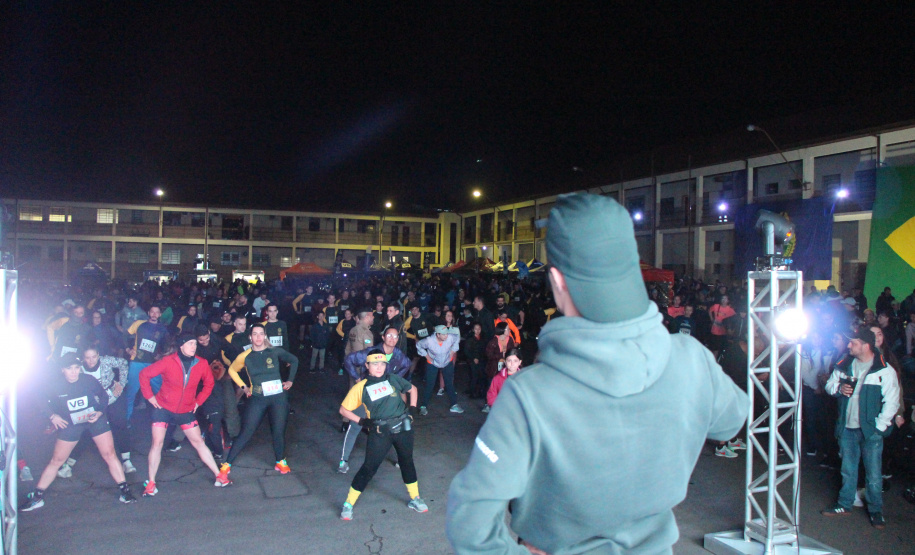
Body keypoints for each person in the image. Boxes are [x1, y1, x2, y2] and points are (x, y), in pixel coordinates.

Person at [446, 193, 747, 554]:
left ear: (557, 281)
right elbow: (731, 420)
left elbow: (471, 521)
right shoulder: (691, 358)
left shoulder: (530, 395)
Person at [21, 354, 136, 511]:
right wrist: (52, 416)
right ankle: (37, 496)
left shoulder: (88, 380)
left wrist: (100, 412)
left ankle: (125, 491)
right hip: (72, 424)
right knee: (57, 460)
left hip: (94, 420)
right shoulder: (56, 385)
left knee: (109, 454)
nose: (74, 372)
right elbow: (38, 397)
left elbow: (103, 396)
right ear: (63, 370)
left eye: (76, 368)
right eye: (70, 369)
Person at [821, 327, 899, 529]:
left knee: (873, 473)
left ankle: (876, 510)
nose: (848, 345)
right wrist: (839, 389)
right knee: (848, 469)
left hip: (869, 430)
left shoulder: (884, 369)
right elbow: (829, 386)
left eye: (853, 342)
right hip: (847, 427)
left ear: (866, 345)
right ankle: (844, 504)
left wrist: (878, 427)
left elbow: (892, 401)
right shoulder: (845, 364)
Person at [139, 333, 232, 496]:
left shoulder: (201, 363)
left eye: (195, 344)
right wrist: (149, 397)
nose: (194, 347)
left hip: (186, 410)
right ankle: (151, 483)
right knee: (157, 444)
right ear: (181, 345)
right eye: (190, 344)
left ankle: (219, 476)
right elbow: (144, 374)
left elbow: (209, 384)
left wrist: (198, 402)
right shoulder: (168, 361)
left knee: (199, 442)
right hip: (163, 409)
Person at [338, 349, 426, 521]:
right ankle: (348, 504)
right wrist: (362, 421)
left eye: (382, 364)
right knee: (369, 468)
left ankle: (416, 498)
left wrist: (412, 409)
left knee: (407, 462)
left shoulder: (392, 378)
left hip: (403, 428)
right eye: (375, 364)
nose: (379, 367)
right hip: (380, 432)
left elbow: (412, 389)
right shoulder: (361, 387)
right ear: (367, 366)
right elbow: (343, 410)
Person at [217, 323, 300, 480]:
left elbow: (294, 360)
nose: (258, 337)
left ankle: (280, 460)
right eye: (255, 334)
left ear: (265, 336)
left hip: (278, 397)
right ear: (250, 337)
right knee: (246, 432)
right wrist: (244, 387)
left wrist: (290, 381)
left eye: (261, 334)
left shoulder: (274, 351)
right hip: (258, 398)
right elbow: (232, 370)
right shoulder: (245, 356)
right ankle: (227, 464)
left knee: (278, 430)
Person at [338, 327, 412, 473]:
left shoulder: (400, 356)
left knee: (394, 428)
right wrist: (358, 378)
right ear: (383, 337)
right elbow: (349, 359)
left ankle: (400, 459)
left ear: (398, 339)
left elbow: (407, 365)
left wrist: (395, 383)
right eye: (389, 335)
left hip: (385, 399)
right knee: (355, 426)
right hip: (368, 396)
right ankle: (343, 460)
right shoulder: (371, 352)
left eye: (395, 336)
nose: (392, 338)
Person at [57, 347, 134, 479]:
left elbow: (123, 363)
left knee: (120, 424)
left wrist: (121, 383)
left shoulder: (106, 361)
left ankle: (126, 460)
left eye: (94, 356)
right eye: (87, 357)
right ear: (83, 358)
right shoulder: (78, 368)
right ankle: (69, 464)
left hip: (112, 398)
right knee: (87, 430)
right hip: (94, 403)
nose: (91, 360)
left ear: (99, 355)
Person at [124, 305, 169, 421]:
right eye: (152, 312)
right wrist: (128, 349)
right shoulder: (139, 323)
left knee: (161, 393)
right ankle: (126, 420)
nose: (154, 314)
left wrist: (162, 355)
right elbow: (125, 336)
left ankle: (162, 420)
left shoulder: (163, 329)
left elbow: (167, 346)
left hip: (153, 364)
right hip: (137, 362)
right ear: (149, 313)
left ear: (159, 315)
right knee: (131, 394)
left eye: (157, 312)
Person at [416, 325, 462, 415]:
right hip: (432, 363)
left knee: (449, 383)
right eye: (443, 334)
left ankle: (454, 405)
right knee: (430, 384)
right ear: (437, 334)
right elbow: (419, 345)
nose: (446, 336)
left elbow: (457, 338)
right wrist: (427, 356)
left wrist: (453, 351)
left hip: (447, 362)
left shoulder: (450, 337)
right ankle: (423, 406)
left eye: (446, 334)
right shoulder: (429, 341)